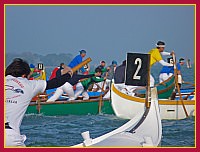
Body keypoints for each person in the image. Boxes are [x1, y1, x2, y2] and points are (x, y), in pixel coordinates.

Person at [5, 58, 73, 147]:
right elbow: (55, 82)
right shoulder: (29, 84)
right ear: (24, 75)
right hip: (9, 137)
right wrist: (69, 74)